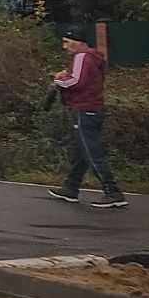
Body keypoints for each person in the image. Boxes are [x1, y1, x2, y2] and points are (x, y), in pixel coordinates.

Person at [48, 29, 125, 208]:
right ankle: (71, 188)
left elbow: (76, 82)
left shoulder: (82, 57)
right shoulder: (93, 58)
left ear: (78, 41)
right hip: (93, 109)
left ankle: (112, 191)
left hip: (84, 109)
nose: (65, 46)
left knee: (91, 152)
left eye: (67, 42)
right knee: (80, 151)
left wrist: (59, 80)